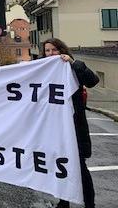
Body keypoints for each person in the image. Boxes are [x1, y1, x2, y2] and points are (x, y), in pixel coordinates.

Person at [41, 38, 98, 208]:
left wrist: (74, 63)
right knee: (60, 166)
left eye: (54, 50)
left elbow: (93, 81)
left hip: (74, 127)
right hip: (55, 128)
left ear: (62, 50)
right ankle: (63, 202)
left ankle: (90, 204)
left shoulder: (72, 68)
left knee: (80, 168)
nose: (50, 54)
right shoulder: (43, 71)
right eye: (47, 50)